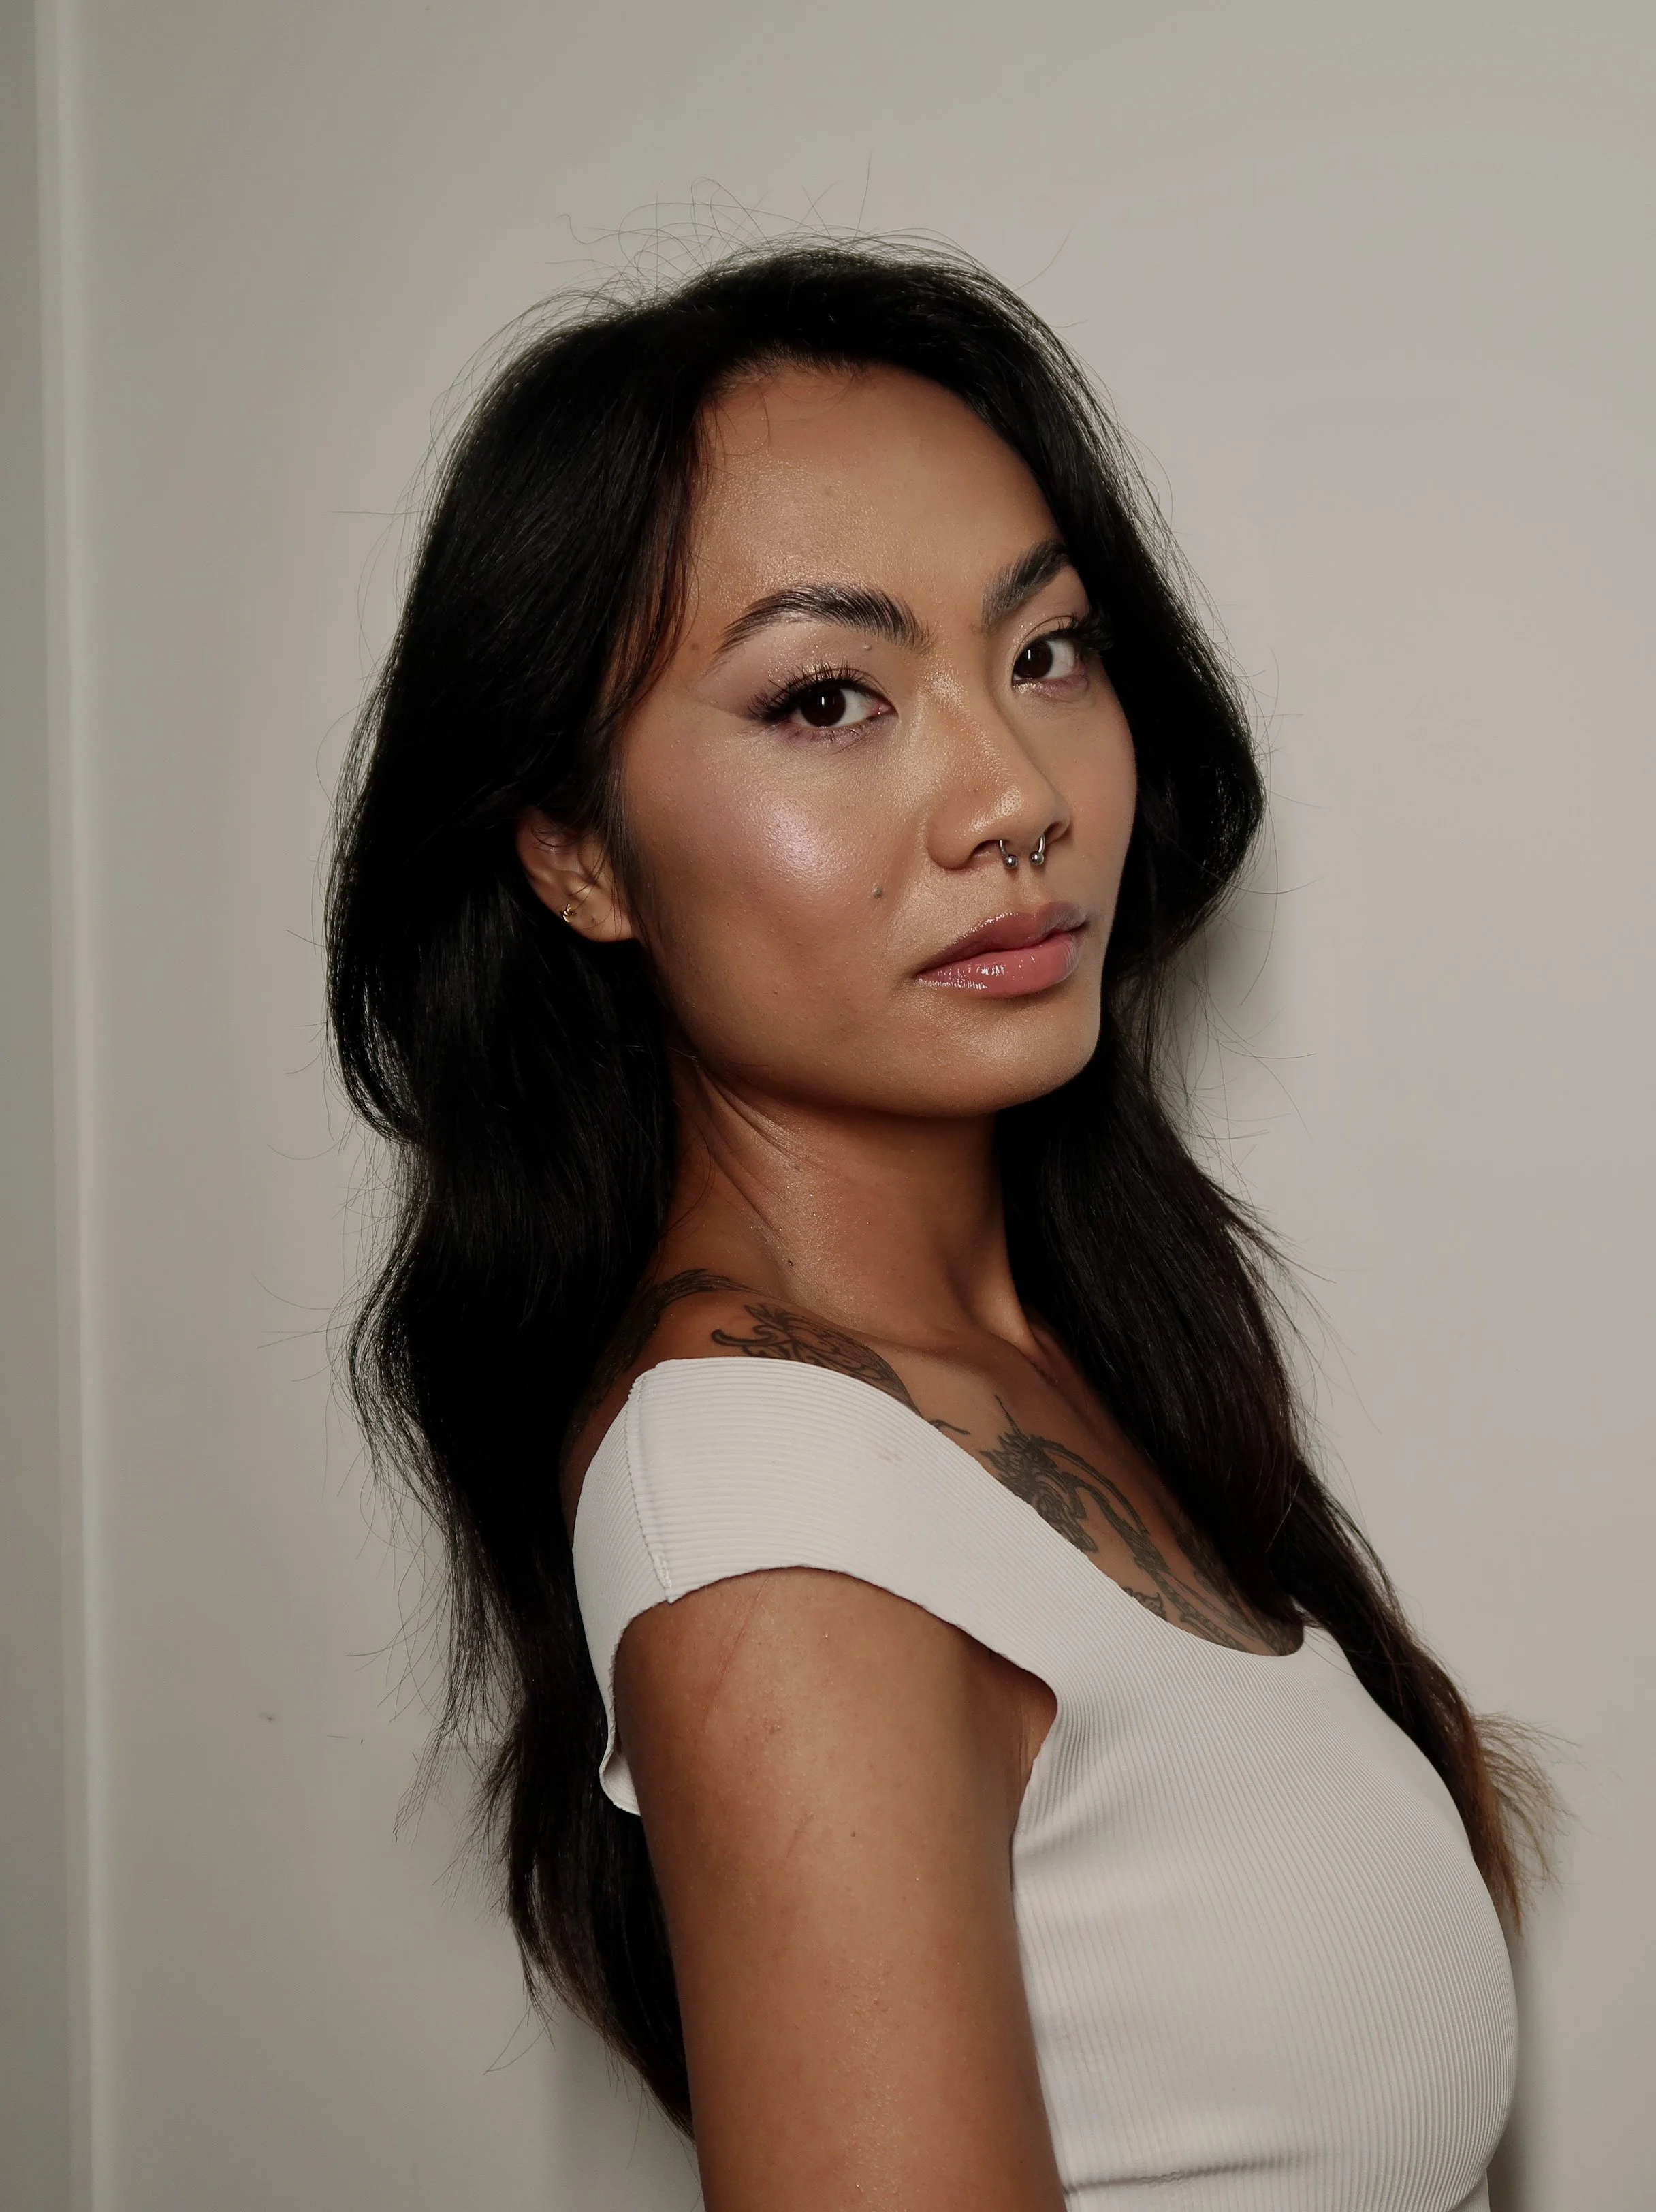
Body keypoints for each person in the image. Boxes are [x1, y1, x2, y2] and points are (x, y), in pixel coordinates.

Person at [326, 241, 1548, 2211]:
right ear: (573, 852)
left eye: (1046, 651)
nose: (1012, 794)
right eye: (829, 697)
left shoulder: (1052, 1356)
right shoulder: (774, 1509)